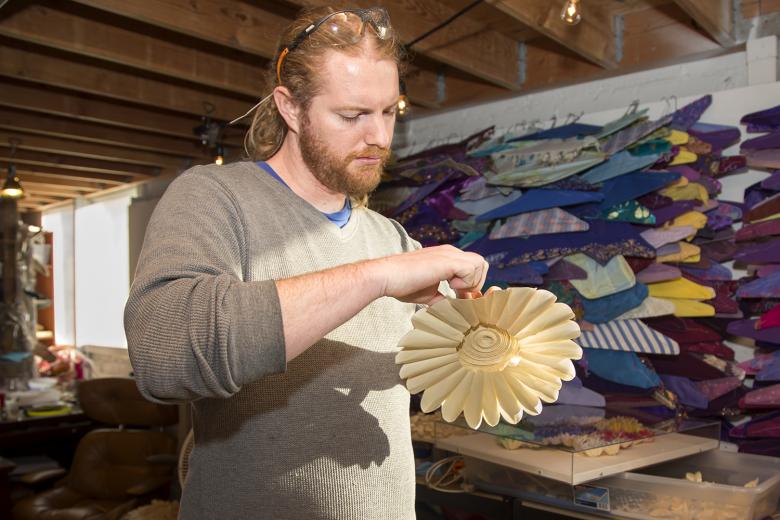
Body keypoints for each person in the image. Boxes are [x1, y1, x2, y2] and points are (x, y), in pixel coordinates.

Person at [124, 6, 488, 519]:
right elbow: (164, 355)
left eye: (389, 112)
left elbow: (430, 377)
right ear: (291, 109)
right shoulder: (214, 198)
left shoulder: (391, 237)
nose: (380, 137)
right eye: (352, 115)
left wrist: (483, 338)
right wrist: (376, 277)